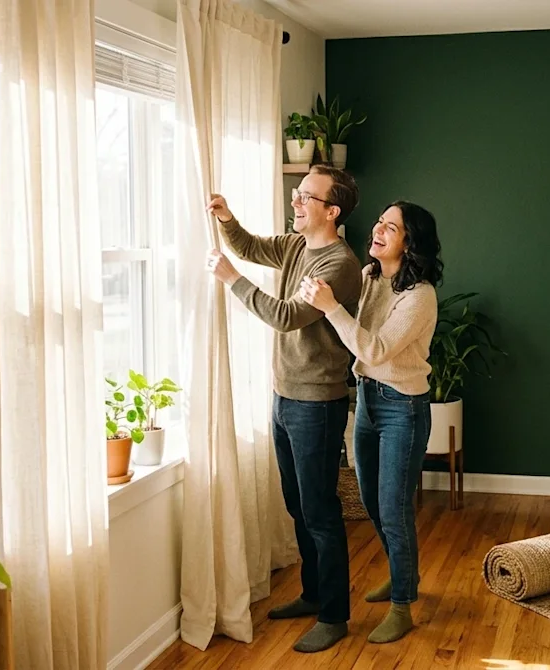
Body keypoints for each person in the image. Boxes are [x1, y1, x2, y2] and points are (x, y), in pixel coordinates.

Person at [204, 164, 363, 653]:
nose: (296, 200)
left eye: (306, 196)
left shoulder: (339, 265)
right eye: (298, 192)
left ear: (331, 211)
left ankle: (334, 615)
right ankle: (313, 595)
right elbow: (251, 246)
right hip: (284, 395)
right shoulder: (297, 246)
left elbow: (287, 316)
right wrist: (227, 219)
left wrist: (232, 280)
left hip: (316, 403)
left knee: (320, 512)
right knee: (297, 505)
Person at [298, 200, 443, 644]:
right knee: (372, 502)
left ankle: (402, 605)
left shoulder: (419, 296)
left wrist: (330, 307)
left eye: (391, 228)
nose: (378, 230)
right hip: (367, 401)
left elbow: (375, 349)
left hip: (403, 408)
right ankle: (405, 575)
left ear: (410, 243)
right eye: (380, 222)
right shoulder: (369, 276)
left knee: (394, 510)